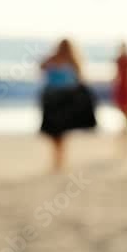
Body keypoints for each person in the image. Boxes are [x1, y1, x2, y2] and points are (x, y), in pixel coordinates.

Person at [39, 39, 96, 172]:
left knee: (59, 131)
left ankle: (59, 159)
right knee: (53, 131)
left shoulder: (73, 61)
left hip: (64, 100)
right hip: (52, 99)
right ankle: (58, 158)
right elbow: (41, 68)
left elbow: (79, 80)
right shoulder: (52, 59)